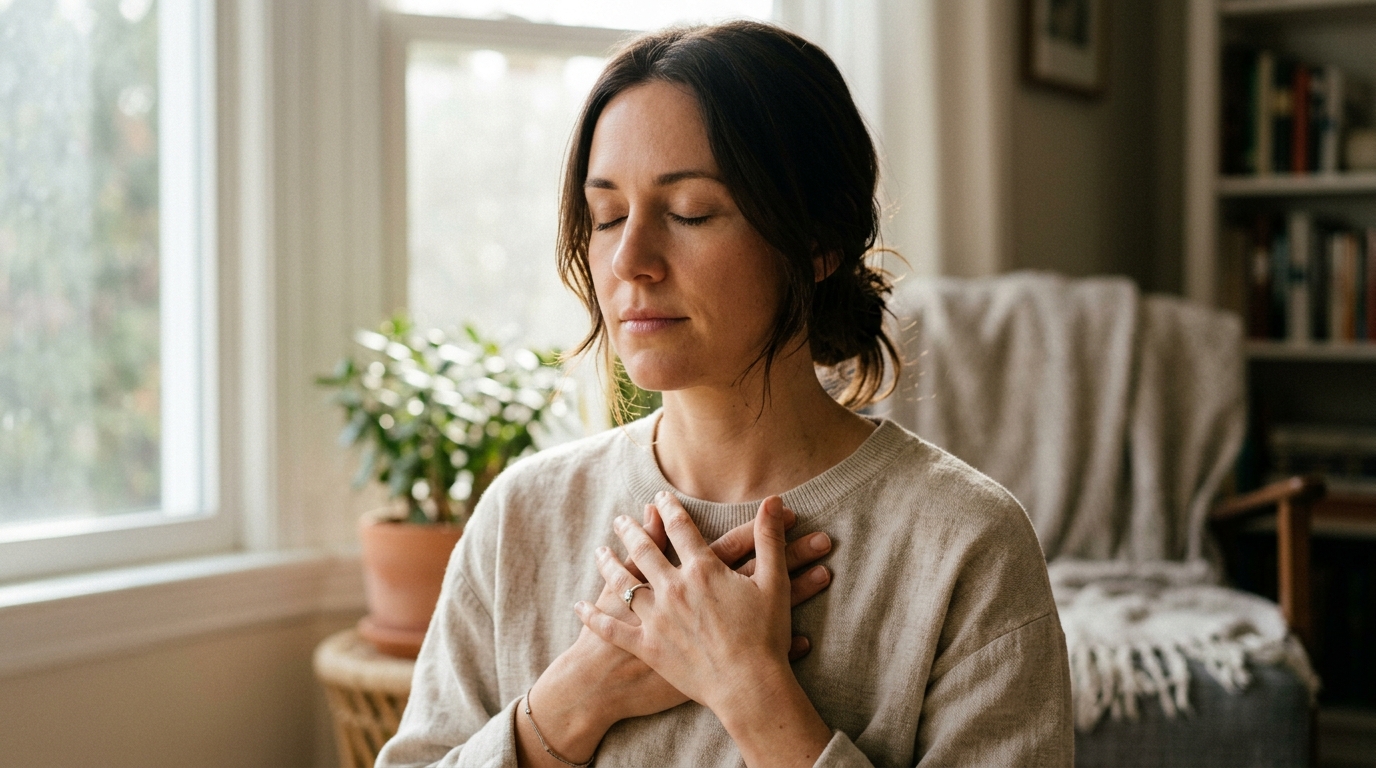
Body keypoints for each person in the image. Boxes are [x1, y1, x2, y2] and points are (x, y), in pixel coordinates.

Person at [377, 20, 1072, 768]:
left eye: (691, 213)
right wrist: (576, 697)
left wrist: (750, 689)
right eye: (607, 216)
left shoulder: (967, 544)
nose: (630, 260)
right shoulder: (522, 516)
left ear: (816, 243)